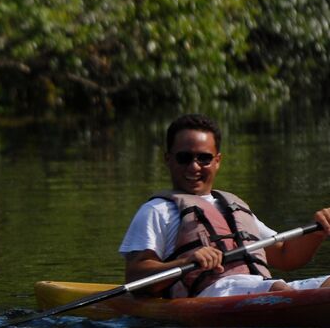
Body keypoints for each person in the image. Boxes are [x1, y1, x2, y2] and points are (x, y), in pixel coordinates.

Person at [119, 113, 330, 297]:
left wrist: (317, 230)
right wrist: (185, 262)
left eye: (204, 158)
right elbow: (135, 276)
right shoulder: (156, 211)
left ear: (217, 160)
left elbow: (286, 256)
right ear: (168, 159)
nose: (194, 166)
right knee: (277, 290)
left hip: (262, 289)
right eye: (184, 158)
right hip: (213, 294)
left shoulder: (233, 207)